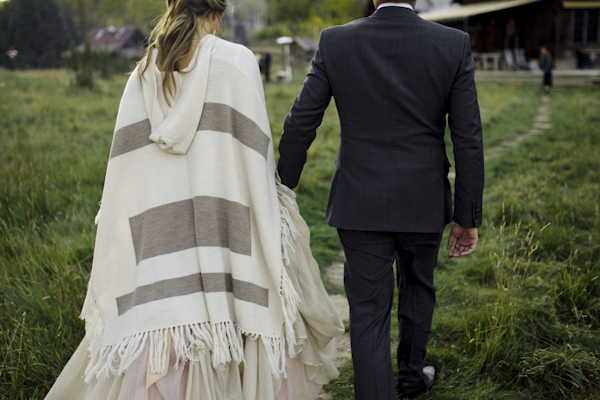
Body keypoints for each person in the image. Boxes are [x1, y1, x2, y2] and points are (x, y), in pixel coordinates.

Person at [44, 1, 343, 399]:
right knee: (231, 322)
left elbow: (126, 169)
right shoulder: (238, 61)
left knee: (167, 322)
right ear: (217, 13)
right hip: (226, 227)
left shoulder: (144, 73)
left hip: (162, 239)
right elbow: (254, 156)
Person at [277, 1, 484, 399]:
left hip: (359, 199)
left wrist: (283, 186)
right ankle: (410, 377)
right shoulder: (452, 44)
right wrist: (466, 215)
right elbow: (468, 138)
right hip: (423, 201)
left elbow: (302, 119)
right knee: (418, 289)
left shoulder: (335, 41)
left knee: (369, 311)